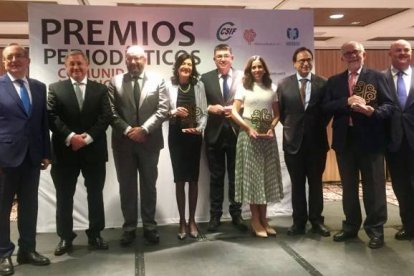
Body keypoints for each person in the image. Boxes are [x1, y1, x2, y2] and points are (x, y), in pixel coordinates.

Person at [322, 41, 394, 249]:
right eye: (347, 53)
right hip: (345, 141)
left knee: (374, 187)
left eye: (356, 52)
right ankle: (351, 226)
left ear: (364, 54)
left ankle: (375, 230)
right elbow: (326, 107)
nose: (352, 55)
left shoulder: (377, 77)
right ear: (341, 57)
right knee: (349, 188)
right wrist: (346, 101)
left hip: (371, 141)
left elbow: (389, 106)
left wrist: (374, 112)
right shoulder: (334, 81)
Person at [47, 50, 112, 256]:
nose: (76, 68)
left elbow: (106, 117)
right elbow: (51, 116)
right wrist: (71, 137)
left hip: (93, 151)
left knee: (95, 195)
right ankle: (65, 237)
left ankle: (95, 235)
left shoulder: (100, 89)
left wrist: (86, 138)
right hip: (64, 152)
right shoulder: (55, 89)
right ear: (66, 67)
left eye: (79, 64)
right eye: (71, 64)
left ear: (87, 65)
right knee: (65, 196)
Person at [108, 45, 169, 246]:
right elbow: (111, 112)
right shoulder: (115, 82)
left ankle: (150, 226)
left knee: (149, 185)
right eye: (130, 59)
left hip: (149, 142)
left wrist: (144, 129)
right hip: (123, 143)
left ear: (145, 59)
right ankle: (129, 228)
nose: (134, 62)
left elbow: (163, 109)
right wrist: (128, 130)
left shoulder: (158, 80)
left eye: (138, 59)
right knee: (127, 186)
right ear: (125, 60)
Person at [0, 43, 51, 276]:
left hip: (32, 157)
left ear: (27, 61)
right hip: (4, 159)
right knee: (2, 209)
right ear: (4, 62)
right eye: (9, 57)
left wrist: (46, 153)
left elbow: (42, 123)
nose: (14, 61)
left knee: (30, 207)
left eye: (19, 56)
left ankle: (27, 250)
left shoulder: (39, 88)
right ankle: (3, 254)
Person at [277, 47, 330, 237]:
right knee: (297, 184)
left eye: (308, 59)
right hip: (293, 144)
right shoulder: (284, 84)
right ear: (294, 63)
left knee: (316, 183)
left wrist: (312, 127)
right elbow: (282, 114)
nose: (305, 63)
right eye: (301, 60)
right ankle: (298, 222)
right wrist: (295, 128)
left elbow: (327, 113)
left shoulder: (323, 83)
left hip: (317, 143)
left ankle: (317, 221)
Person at [231, 55, 284, 238]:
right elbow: (233, 112)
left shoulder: (272, 88)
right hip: (249, 136)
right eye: (253, 67)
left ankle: (264, 219)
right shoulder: (243, 88)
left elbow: (276, 114)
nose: (257, 70)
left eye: (260, 67)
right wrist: (247, 128)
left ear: (264, 69)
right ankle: (255, 220)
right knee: (254, 178)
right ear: (249, 70)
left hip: (267, 138)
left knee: (265, 177)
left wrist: (271, 128)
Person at [200, 44, 246, 232]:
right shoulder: (205, 78)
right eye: (219, 56)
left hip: (237, 134)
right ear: (214, 59)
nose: (222, 59)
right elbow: (199, 104)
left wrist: (236, 110)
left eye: (226, 55)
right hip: (214, 135)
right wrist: (210, 108)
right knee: (216, 177)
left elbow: (249, 101)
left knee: (236, 178)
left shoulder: (242, 77)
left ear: (232, 58)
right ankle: (215, 215)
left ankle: (237, 214)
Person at [165, 53, 208, 239]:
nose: (187, 67)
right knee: (179, 179)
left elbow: (204, 111)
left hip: (194, 137)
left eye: (190, 64)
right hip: (176, 137)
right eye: (183, 64)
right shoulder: (169, 85)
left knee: (193, 179)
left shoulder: (199, 85)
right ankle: (182, 221)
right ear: (177, 66)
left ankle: (192, 221)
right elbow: (162, 111)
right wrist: (174, 111)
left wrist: (200, 128)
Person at [383, 39, 414, 241]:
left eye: (406, 50)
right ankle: (409, 225)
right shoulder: (380, 78)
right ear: (390, 54)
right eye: (398, 50)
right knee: (401, 186)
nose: (402, 53)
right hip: (393, 142)